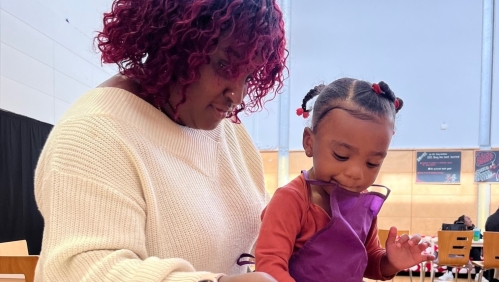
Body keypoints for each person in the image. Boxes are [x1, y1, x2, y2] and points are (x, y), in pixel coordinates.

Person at [33, 1, 286, 281]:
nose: (237, 96)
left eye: (248, 76)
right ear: (177, 43)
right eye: (225, 65)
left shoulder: (229, 132)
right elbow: (84, 269)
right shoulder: (94, 132)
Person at [254, 78, 435, 282]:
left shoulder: (362, 205)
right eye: (341, 155)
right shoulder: (291, 200)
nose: (356, 173)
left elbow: (368, 260)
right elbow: (269, 268)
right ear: (309, 142)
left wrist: (390, 262)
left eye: (372, 163)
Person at [438, 215, 483, 281]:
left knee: (476, 251)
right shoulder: (455, 230)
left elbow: (480, 238)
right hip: (457, 251)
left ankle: (478, 274)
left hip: (469, 251)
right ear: (463, 222)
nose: (470, 220)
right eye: (468, 219)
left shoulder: (474, 229)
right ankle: (449, 273)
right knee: (451, 249)